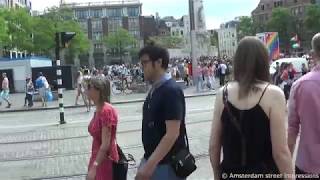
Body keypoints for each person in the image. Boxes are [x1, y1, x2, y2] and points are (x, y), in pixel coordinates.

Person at [209, 37, 294, 179]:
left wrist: (218, 176)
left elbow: (213, 146)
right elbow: (280, 152)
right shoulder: (273, 94)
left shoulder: (222, 93)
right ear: (263, 61)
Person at [135, 45, 189, 180]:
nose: (142, 67)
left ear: (159, 62)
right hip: (155, 162)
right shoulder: (155, 89)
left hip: (166, 166)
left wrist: (148, 166)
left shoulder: (171, 90)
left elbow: (172, 133)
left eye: (145, 62)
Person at [288, 33, 320, 178]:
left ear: (313, 54)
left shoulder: (300, 85)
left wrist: (286, 164)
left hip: (308, 164)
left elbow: (292, 128)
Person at [86, 76, 119, 180]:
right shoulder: (98, 109)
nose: (86, 90)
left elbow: (105, 144)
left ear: (98, 90)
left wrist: (95, 167)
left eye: (89, 87)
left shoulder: (106, 111)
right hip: (97, 157)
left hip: (104, 161)